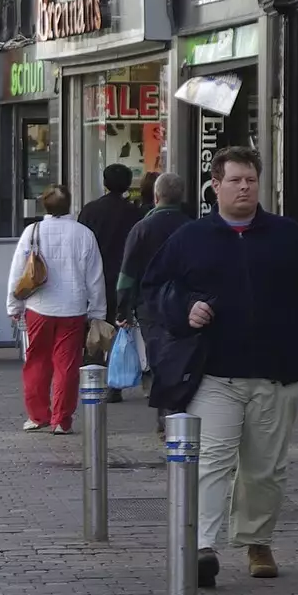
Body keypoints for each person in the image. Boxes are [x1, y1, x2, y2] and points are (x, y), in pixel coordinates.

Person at [142, 147, 298, 587]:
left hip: (275, 373)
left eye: (250, 180)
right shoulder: (191, 237)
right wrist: (184, 311)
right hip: (214, 372)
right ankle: (202, 547)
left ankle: (256, 540)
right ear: (216, 185)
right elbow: (155, 291)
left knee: (264, 467)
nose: (244, 187)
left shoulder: (288, 236)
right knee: (211, 459)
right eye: (235, 180)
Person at [5, 185, 105, 435]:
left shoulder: (32, 232)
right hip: (73, 308)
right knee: (67, 365)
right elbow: (95, 276)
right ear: (69, 205)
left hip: (39, 306)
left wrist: (14, 305)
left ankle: (38, 415)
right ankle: (62, 419)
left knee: (36, 361)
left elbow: (19, 271)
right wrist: (98, 312)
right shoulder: (84, 234)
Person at [117, 173, 190, 429]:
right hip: (185, 304)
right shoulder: (191, 226)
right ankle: (179, 409)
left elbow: (127, 272)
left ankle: (165, 415)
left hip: (150, 306)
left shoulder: (143, 228)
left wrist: (123, 307)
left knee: (158, 357)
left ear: (156, 196)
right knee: (182, 356)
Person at [77, 164, 143, 403]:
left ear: (104, 183)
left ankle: (94, 375)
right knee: (120, 328)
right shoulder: (134, 213)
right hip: (124, 277)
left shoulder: (91, 210)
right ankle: (115, 382)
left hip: (95, 276)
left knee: (96, 327)